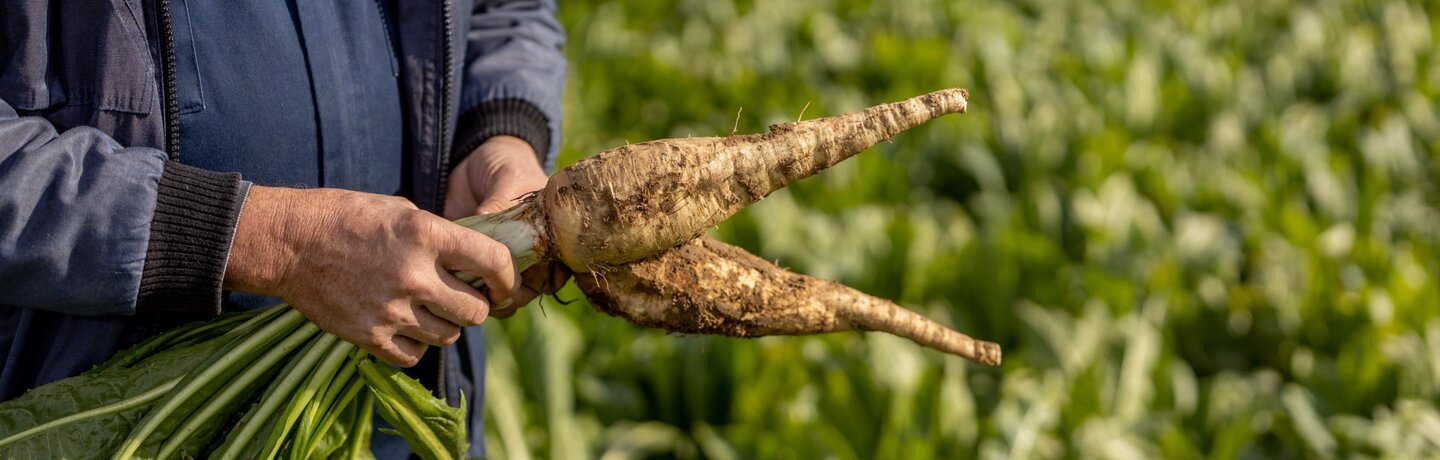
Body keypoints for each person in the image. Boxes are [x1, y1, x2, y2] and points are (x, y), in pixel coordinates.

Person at [0, 0, 568, 456]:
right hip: (147, 416)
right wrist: (271, 240)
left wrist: (497, 131)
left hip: (400, 413)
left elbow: (504, 12)